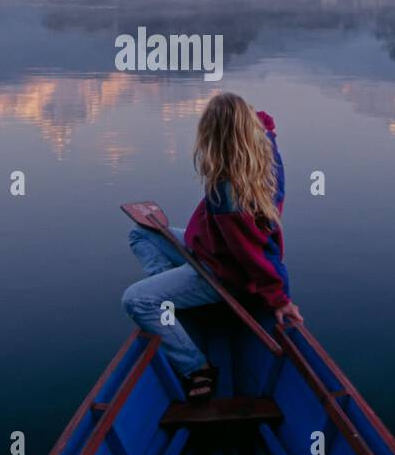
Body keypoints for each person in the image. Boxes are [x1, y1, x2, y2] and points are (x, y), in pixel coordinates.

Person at [122, 92, 301, 401]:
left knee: (136, 300)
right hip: (209, 250)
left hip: (223, 275)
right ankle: (172, 295)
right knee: (142, 234)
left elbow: (255, 254)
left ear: (214, 137)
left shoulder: (227, 196)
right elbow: (266, 123)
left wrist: (280, 298)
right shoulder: (267, 150)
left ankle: (196, 367)